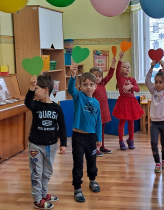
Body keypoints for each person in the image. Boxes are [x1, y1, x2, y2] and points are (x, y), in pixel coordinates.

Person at [25, 74, 67, 209]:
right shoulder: (35, 105)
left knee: (47, 172)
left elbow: (63, 126)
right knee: (36, 172)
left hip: (51, 146)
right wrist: (31, 88)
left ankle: (43, 193)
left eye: (37, 88)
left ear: (46, 90)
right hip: (35, 146)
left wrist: (64, 144)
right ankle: (37, 199)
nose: (35, 91)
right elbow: (28, 102)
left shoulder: (57, 108)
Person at [68, 63, 102, 202]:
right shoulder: (79, 97)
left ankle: (92, 180)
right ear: (80, 87)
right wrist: (73, 76)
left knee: (92, 160)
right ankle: (77, 187)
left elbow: (98, 122)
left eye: (91, 84)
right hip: (78, 137)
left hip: (91, 137)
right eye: (85, 84)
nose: (88, 87)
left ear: (95, 86)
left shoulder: (96, 103)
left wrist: (99, 137)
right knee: (78, 162)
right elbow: (71, 88)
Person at [112, 51, 144, 150]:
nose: (127, 68)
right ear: (121, 69)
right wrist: (120, 59)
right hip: (123, 102)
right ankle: (121, 141)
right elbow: (117, 70)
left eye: (128, 67)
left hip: (132, 102)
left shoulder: (132, 79)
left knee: (131, 122)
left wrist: (131, 86)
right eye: (124, 67)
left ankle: (131, 140)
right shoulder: (119, 78)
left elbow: (138, 89)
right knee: (122, 122)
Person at [145, 60, 164, 173]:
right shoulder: (153, 91)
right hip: (155, 123)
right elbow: (147, 81)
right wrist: (151, 67)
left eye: (160, 82)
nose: (157, 84)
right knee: (153, 142)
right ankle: (157, 162)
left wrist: (163, 66)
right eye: (156, 82)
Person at [90, 57, 116, 157]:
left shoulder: (102, 83)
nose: (98, 78)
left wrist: (113, 64)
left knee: (102, 130)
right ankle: (94, 148)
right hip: (95, 112)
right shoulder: (91, 86)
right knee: (95, 131)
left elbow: (110, 74)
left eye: (99, 76)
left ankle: (102, 146)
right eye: (95, 76)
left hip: (104, 111)